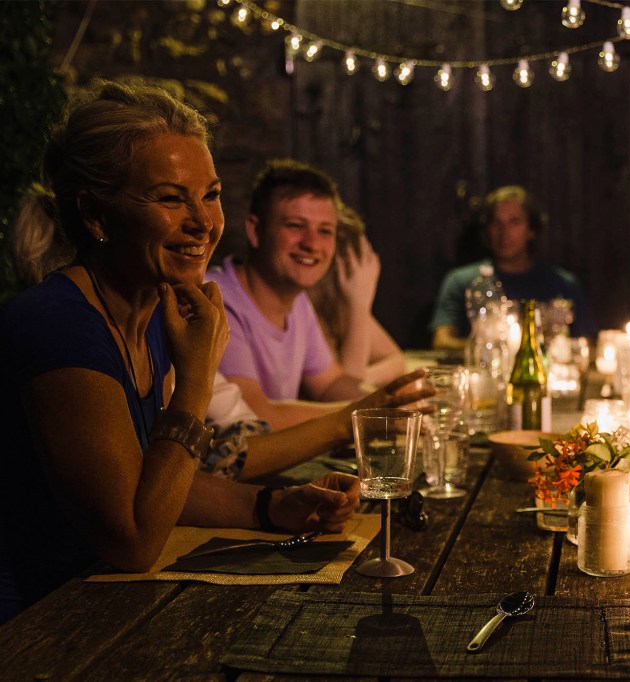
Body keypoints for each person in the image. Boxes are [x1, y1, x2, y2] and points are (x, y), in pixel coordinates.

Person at [0, 80, 359, 610]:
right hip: (34, 624)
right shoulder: (59, 325)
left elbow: (155, 481)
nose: (203, 223)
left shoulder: (148, 315)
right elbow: (135, 538)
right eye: (170, 198)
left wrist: (273, 506)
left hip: (98, 600)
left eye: (210, 195)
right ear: (96, 216)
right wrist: (195, 377)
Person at [207, 160, 394, 429]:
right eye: (295, 226)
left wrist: (393, 402)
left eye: (325, 231)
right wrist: (368, 411)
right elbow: (254, 416)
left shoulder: (297, 301)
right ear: (255, 231)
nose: (312, 244)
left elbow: (330, 384)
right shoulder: (218, 300)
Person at [430, 185, 596, 350]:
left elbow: (585, 345)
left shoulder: (562, 284)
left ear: (531, 230)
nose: (504, 233)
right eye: (496, 223)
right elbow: (442, 341)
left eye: (514, 222)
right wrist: (491, 349)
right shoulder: (462, 281)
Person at [307, 201, 406, 388]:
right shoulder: (300, 311)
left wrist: (365, 377)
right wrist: (360, 302)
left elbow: (395, 359)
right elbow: (346, 393)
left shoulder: (337, 310)